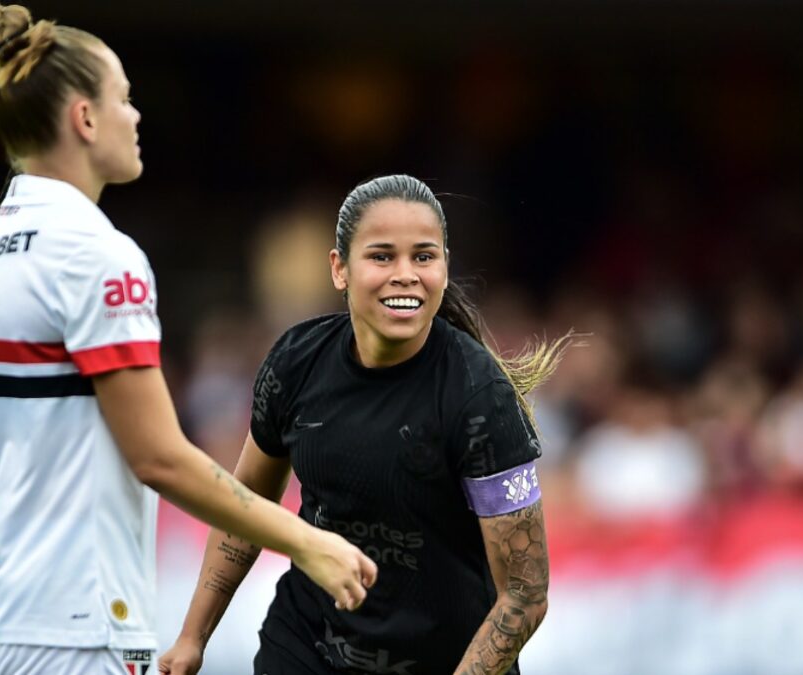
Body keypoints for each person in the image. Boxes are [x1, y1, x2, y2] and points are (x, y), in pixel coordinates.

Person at [0, 5, 376, 675]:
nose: (136, 117)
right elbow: (157, 457)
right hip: (75, 624)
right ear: (84, 118)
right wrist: (305, 540)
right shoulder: (98, 256)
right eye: (124, 98)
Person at [159, 174, 570, 675]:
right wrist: (191, 637)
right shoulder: (296, 362)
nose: (406, 274)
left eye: (424, 256)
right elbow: (245, 503)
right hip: (304, 648)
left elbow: (525, 596)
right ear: (340, 269)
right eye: (381, 256)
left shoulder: (481, 398)